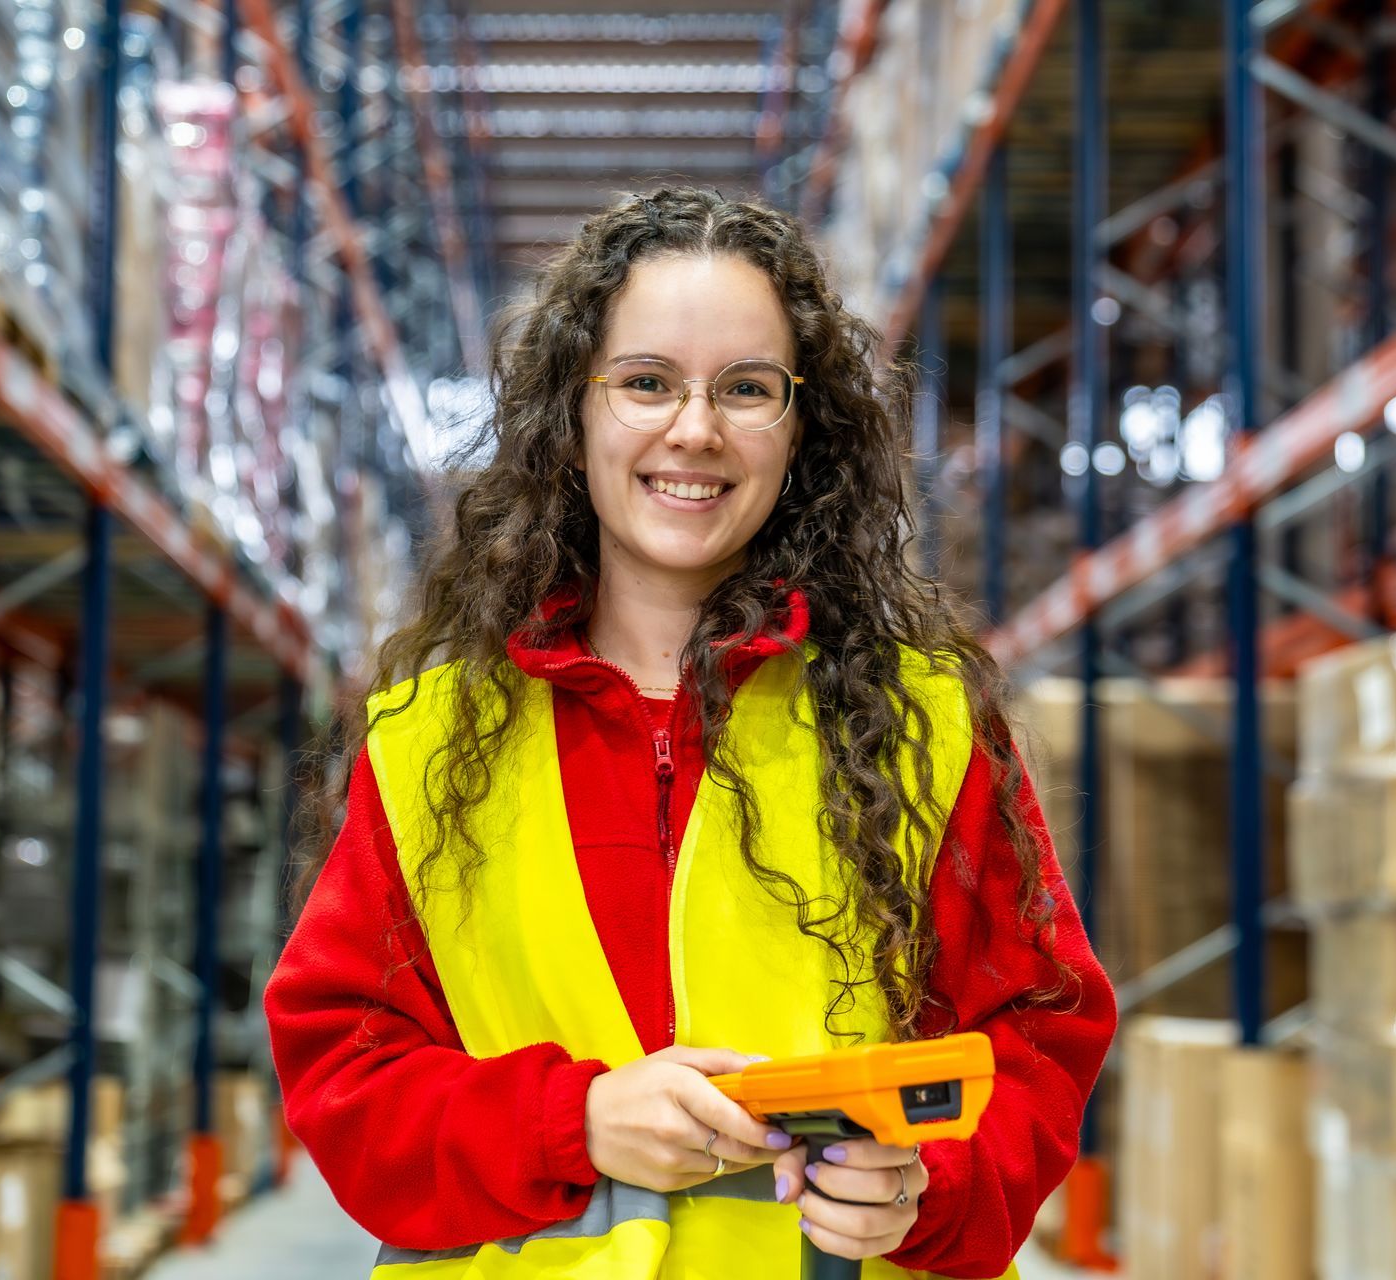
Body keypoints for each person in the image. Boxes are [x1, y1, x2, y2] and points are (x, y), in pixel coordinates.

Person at [266, 186, 1115, 1279]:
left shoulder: (924, 723)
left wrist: (931, 1186)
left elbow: (1041, 1034)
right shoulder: (432, 739)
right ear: (572, 415)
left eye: (747, 389)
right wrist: (571, 1120)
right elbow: (344, 1068)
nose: (696, 428)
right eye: (647, 382)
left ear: (801, 430)